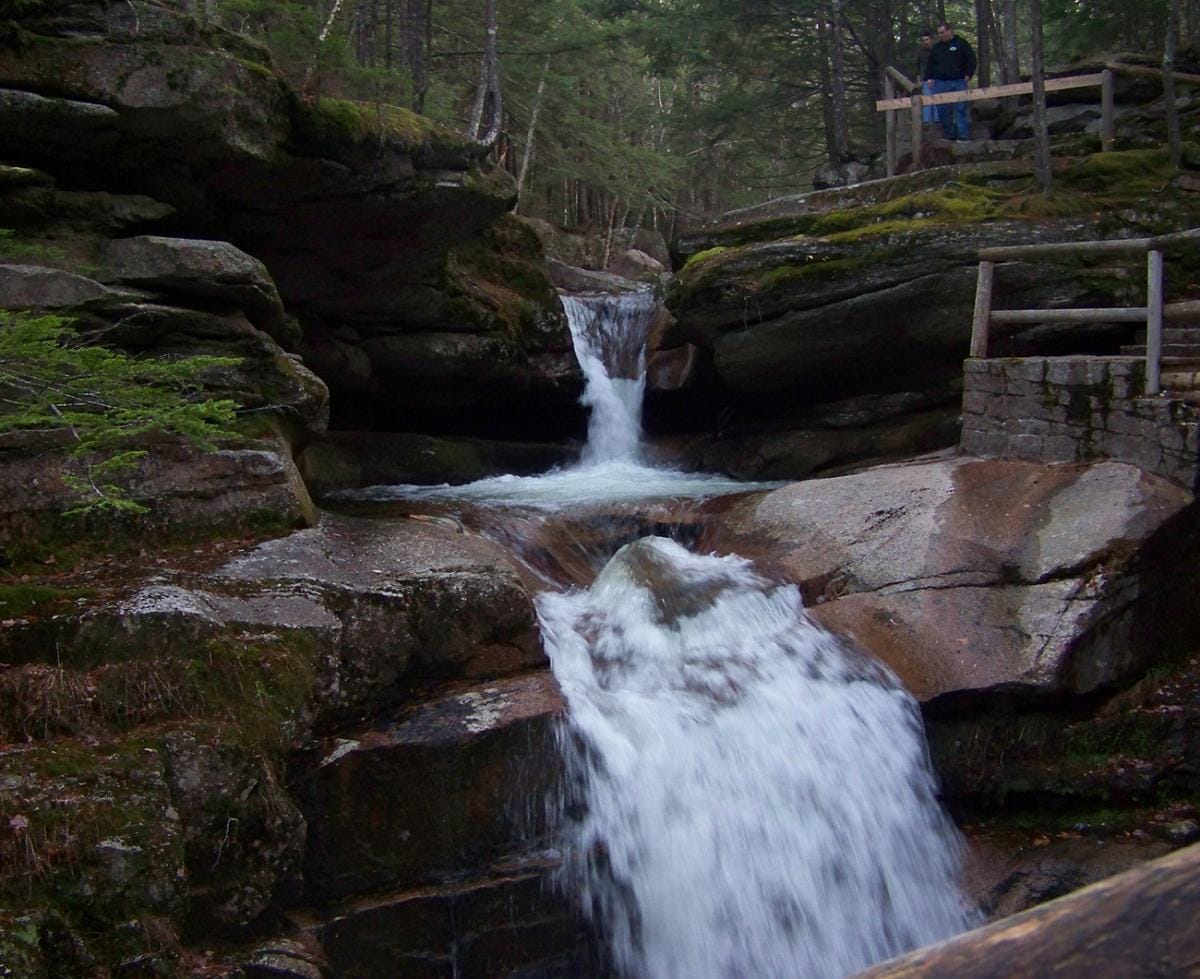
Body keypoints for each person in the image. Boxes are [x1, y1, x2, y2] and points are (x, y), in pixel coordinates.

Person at [923, 21, 977, 141]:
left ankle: (963, 137)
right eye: (939, 33)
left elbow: (971, 59)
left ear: (949, 31)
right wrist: (929, 78)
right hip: (941, 82)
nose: (941, 35)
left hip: (958, 81)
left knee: (960, 109)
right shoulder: (937, 48)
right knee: (943, 110)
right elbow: (930, 65)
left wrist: (969, 74)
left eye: (942, 32)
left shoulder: (961, 43)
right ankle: (949, 135)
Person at [917, 30, 936, 125]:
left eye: (927, 39)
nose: (925, 42)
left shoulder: (937, 51)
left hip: (937, 80)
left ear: (931, 40)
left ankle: (938, 121)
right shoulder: (921, 53)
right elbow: (917, 67)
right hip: (925, 81)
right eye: (923, 40)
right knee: (927, 102)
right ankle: (927, 122)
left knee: (937, 101)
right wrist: (919, 80)